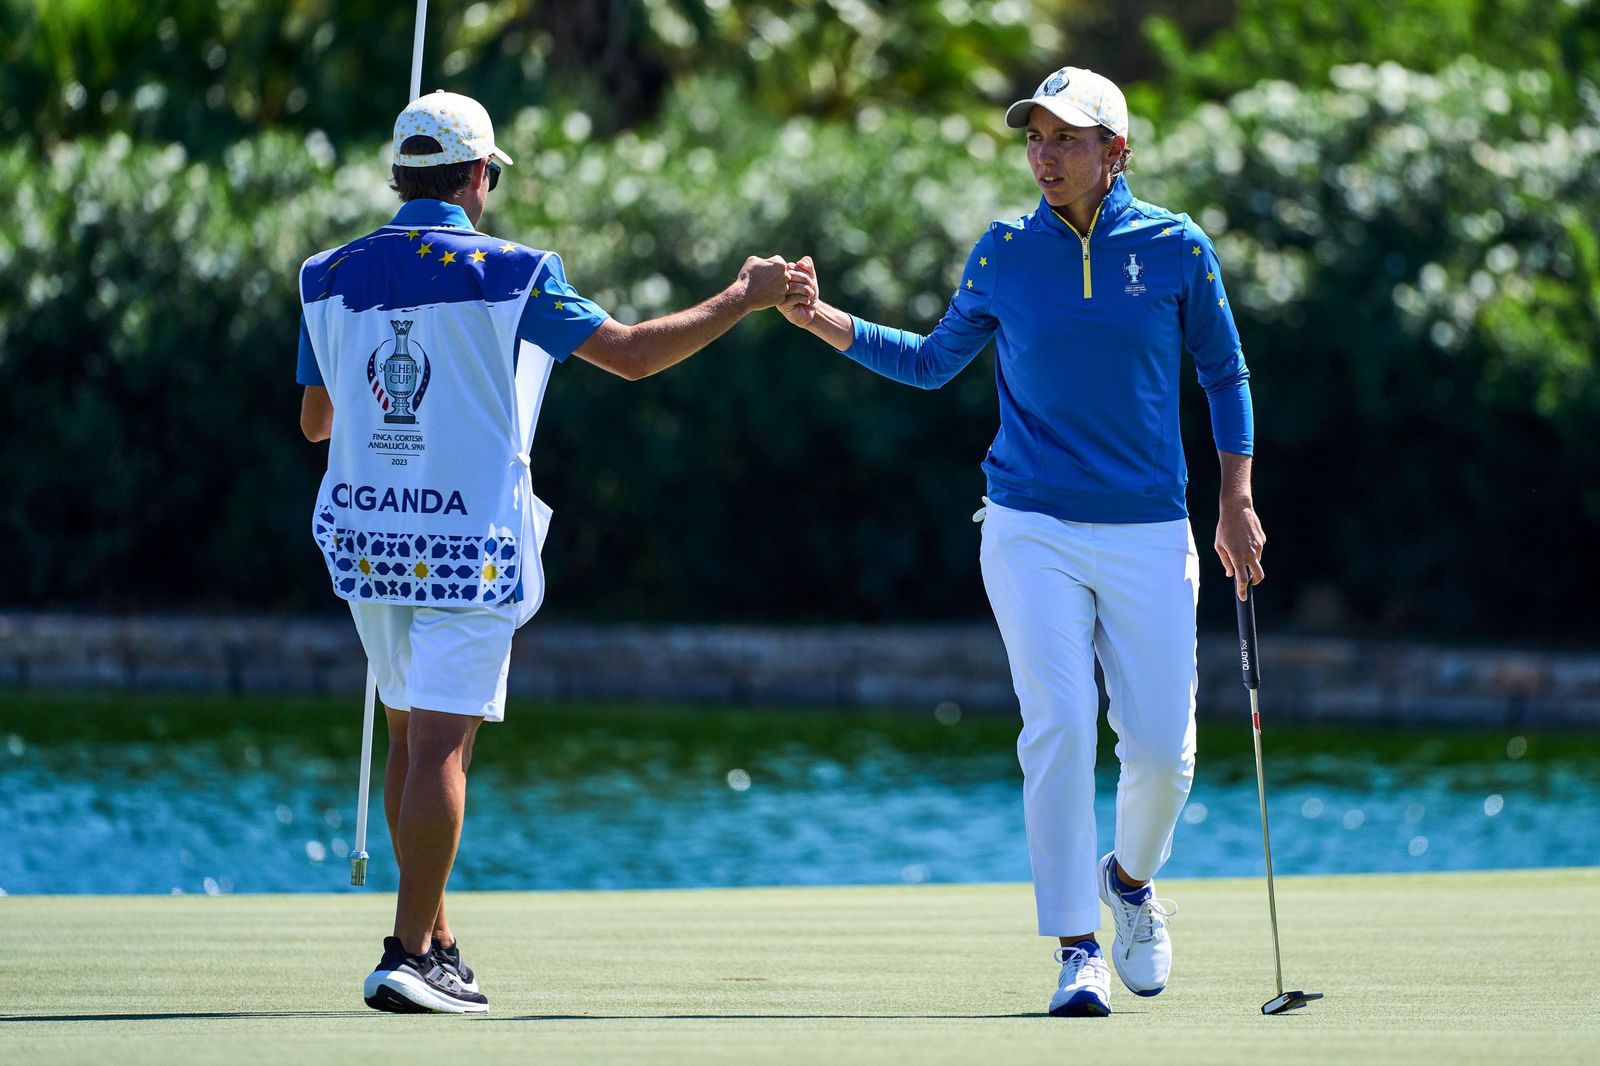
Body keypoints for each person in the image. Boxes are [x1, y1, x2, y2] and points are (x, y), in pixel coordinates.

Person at [296, 90, 808, 1014]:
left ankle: (438, 939)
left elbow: (315, 419)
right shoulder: (516, 272)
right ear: (479, 176)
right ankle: (407, 955)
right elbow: (632, 356)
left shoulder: (324, 275)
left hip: (366, 542)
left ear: (399, 176)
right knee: (443, 745)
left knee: (412, 740)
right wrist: (748, 294)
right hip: (466, 543)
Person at [780, 67, 1264, 1017]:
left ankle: (1128, 883)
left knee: (1165, 753)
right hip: (1028, 523)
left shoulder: (1175, 248)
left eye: (1066, 139)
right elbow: (929, 363)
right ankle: (1076, 947)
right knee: (1060, 726)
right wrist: (819, 319)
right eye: (1035, 139)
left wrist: (1235, 499)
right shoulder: (1002, 252)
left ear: (1115, 153)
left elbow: (1226, 371)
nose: (1044, 156)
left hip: (1149, 525)